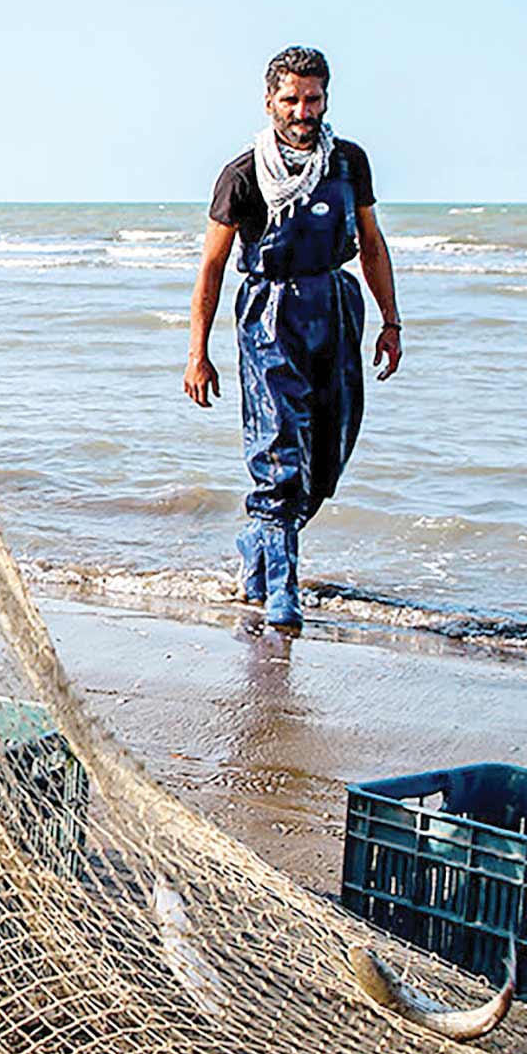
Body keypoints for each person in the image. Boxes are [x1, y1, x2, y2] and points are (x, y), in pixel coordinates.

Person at [183, 46, 401, 628]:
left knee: (326, 458)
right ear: (269, 101)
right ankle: (283, 591)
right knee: (278, 456)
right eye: (291, 100)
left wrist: (390, 321)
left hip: (334, 307)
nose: (303, 111)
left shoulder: (348, 163)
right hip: (269, 315)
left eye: (313, 99)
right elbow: (210, 266)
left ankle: (259, 545)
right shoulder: (242, 174)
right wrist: (198, 353)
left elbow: (373, 244)